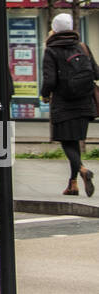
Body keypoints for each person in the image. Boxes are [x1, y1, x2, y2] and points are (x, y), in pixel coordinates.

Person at [40, 13, 96, 197]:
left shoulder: (51, 50)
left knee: (66, 142)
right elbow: (96, 72)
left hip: (63, 103)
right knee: (76, 141)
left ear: (54, 28)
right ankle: (73, 185)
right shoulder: (82, 47)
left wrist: (44, 95)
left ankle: (81, 170)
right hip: (85, 103)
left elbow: (50, 80)